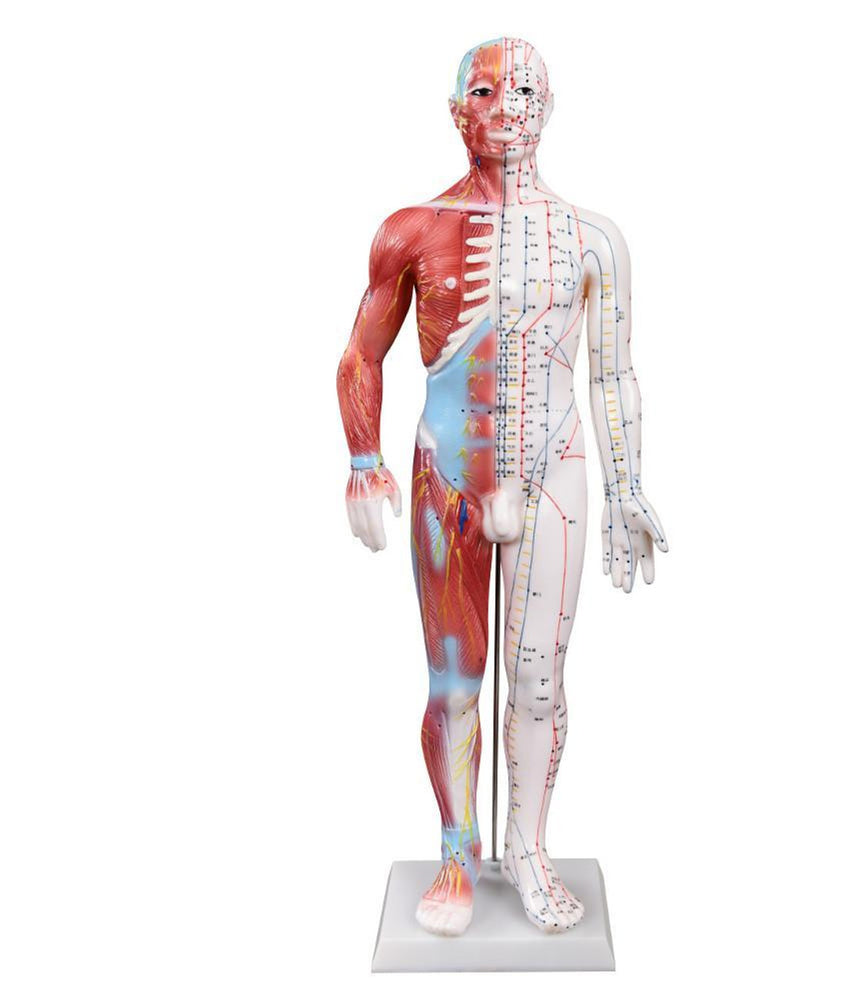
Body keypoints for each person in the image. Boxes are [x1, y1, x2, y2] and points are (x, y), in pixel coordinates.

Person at [337, 37, 667, 936]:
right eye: (485, 91)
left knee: (538, 682)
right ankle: (457, 853)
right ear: (458, 113)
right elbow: (360, 354)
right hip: (447, 477)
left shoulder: (596, 240)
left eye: (524, 90)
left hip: (554, 473)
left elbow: (612, 373)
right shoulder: (411, 229)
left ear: (548, 107)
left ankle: (527, 849)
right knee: (454, 683)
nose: (507, 107)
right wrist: (363, 459)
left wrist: (628, 485)